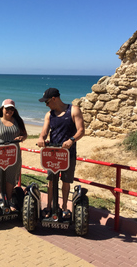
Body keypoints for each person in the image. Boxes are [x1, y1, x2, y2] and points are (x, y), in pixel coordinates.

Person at [37, 88, 85, 218]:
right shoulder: (49, 115)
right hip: (53, 153)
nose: (46, 105)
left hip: (68, 153)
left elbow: (81, 130)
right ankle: (49, 207)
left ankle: (64, 208)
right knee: (51, 181)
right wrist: (41, 138)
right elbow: (44, 131)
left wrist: (71, 140)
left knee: (66, 181)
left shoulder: (73, 110)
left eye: (47, 102)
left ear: (54, 99)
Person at [0, 99, 27, 212]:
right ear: (2, 109)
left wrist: (22, 138)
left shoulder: (18, 121)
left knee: (10, 178)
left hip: (13, 155)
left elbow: (25, 134)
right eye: (7, 108)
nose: (9, 110)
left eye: (12, 109)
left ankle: (8, 201)